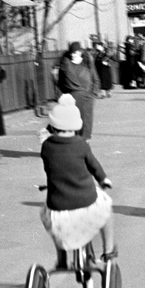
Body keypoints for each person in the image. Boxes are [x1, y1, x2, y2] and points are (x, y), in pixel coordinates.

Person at [39, 93, 117, 269]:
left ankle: (61, 259)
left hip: (58, 211)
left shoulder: (46, 147)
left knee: (47, 215)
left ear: (53, 126)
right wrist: (103, 180)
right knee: (107, 210)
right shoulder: (81, 144)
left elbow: (50, 170)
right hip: (85, 206)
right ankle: (109, 251)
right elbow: (93, 165)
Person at [57, 41, 100, 140]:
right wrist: (61, 97)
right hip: (72, 97)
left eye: (75, 52)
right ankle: (75, 146)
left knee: (86, 124)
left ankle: (84, 147)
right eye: (72, 53)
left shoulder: (87, 62)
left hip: (87, 97)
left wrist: (93, 94)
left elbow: (95, 79)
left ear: (80, 52)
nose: (73, 55)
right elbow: (60, 82)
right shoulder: (65, 64)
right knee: (73, 124)